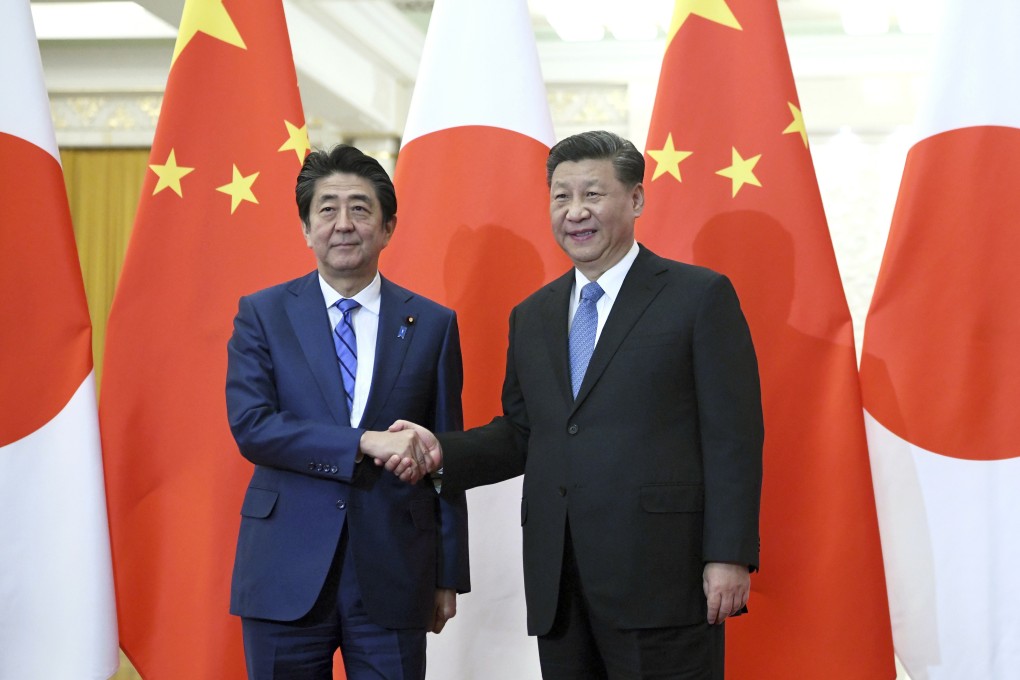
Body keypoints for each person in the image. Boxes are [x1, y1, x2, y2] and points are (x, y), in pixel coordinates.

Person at [388, 130, 763, 679]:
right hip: (559, 581)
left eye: (593, 194)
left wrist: (728, 553)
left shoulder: (698, 296)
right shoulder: (532, 315)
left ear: (635, 199)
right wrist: (438, 450)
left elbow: (733, 436)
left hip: (663, 580)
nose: (575, 211)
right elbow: (523, 434)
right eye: (561, 196)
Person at [225, 144, 469, 679]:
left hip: (396, 570)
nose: (343, 224)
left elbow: (444, 453)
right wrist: (362, 442)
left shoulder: (432, 324)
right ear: (306, 228)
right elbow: (253, 427)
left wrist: (448, 573)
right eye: (327, 209)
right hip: (284, 570)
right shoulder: (262, 315)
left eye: (360, 208)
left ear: (387, 227)